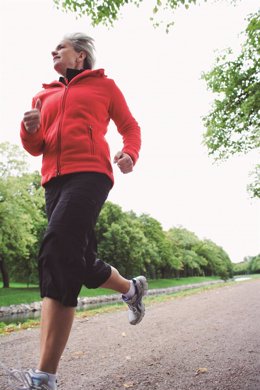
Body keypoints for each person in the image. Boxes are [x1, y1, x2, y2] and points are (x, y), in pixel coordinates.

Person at [10, 32, 147, 390]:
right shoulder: (43, 95)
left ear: (81, 56)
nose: (53, 52)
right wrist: (29, 131)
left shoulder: (105, 88)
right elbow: (36, 147)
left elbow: (130, 126)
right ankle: (132, 289)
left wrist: (129, 153)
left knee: (57, 250)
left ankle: (44, 376)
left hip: (90, 174)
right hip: (53, 182)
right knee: (80, 261)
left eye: (61, 48)